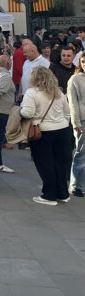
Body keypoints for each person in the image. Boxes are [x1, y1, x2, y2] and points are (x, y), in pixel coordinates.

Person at [20, 67, 73, 205]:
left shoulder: (32, 93)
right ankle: (63, 194)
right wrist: (63, 123)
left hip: (42, 133)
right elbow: (67, 112)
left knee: (45, 164)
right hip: (62, 131)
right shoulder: (58, 92)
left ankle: (49, 195)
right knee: (61, 164)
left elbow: (27, 113)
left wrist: (19, 109)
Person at [68, 54, 85, 197]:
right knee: (81, 154)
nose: (84, 64)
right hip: (82, 121)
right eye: (83, 61)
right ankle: (76, 185)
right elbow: (72, 103)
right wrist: (75, 123)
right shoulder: (75, 79)